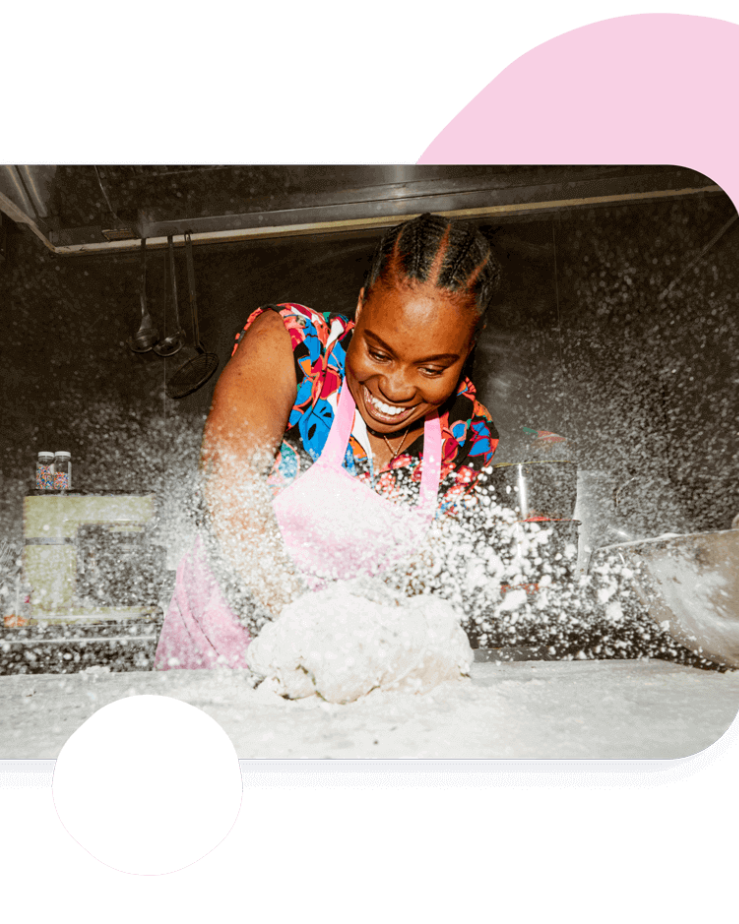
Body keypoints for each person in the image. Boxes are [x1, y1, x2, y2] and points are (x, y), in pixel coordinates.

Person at [155, 213, 501, 670]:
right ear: (360, 308)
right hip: (213, 671)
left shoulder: (467, 436)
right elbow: (231, 480)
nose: (395, 388)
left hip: (345, 685)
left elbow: (414, 582)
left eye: (432, 368)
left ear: (470, 348)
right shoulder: (297, 348)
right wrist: (311, 631)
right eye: (378, 353)